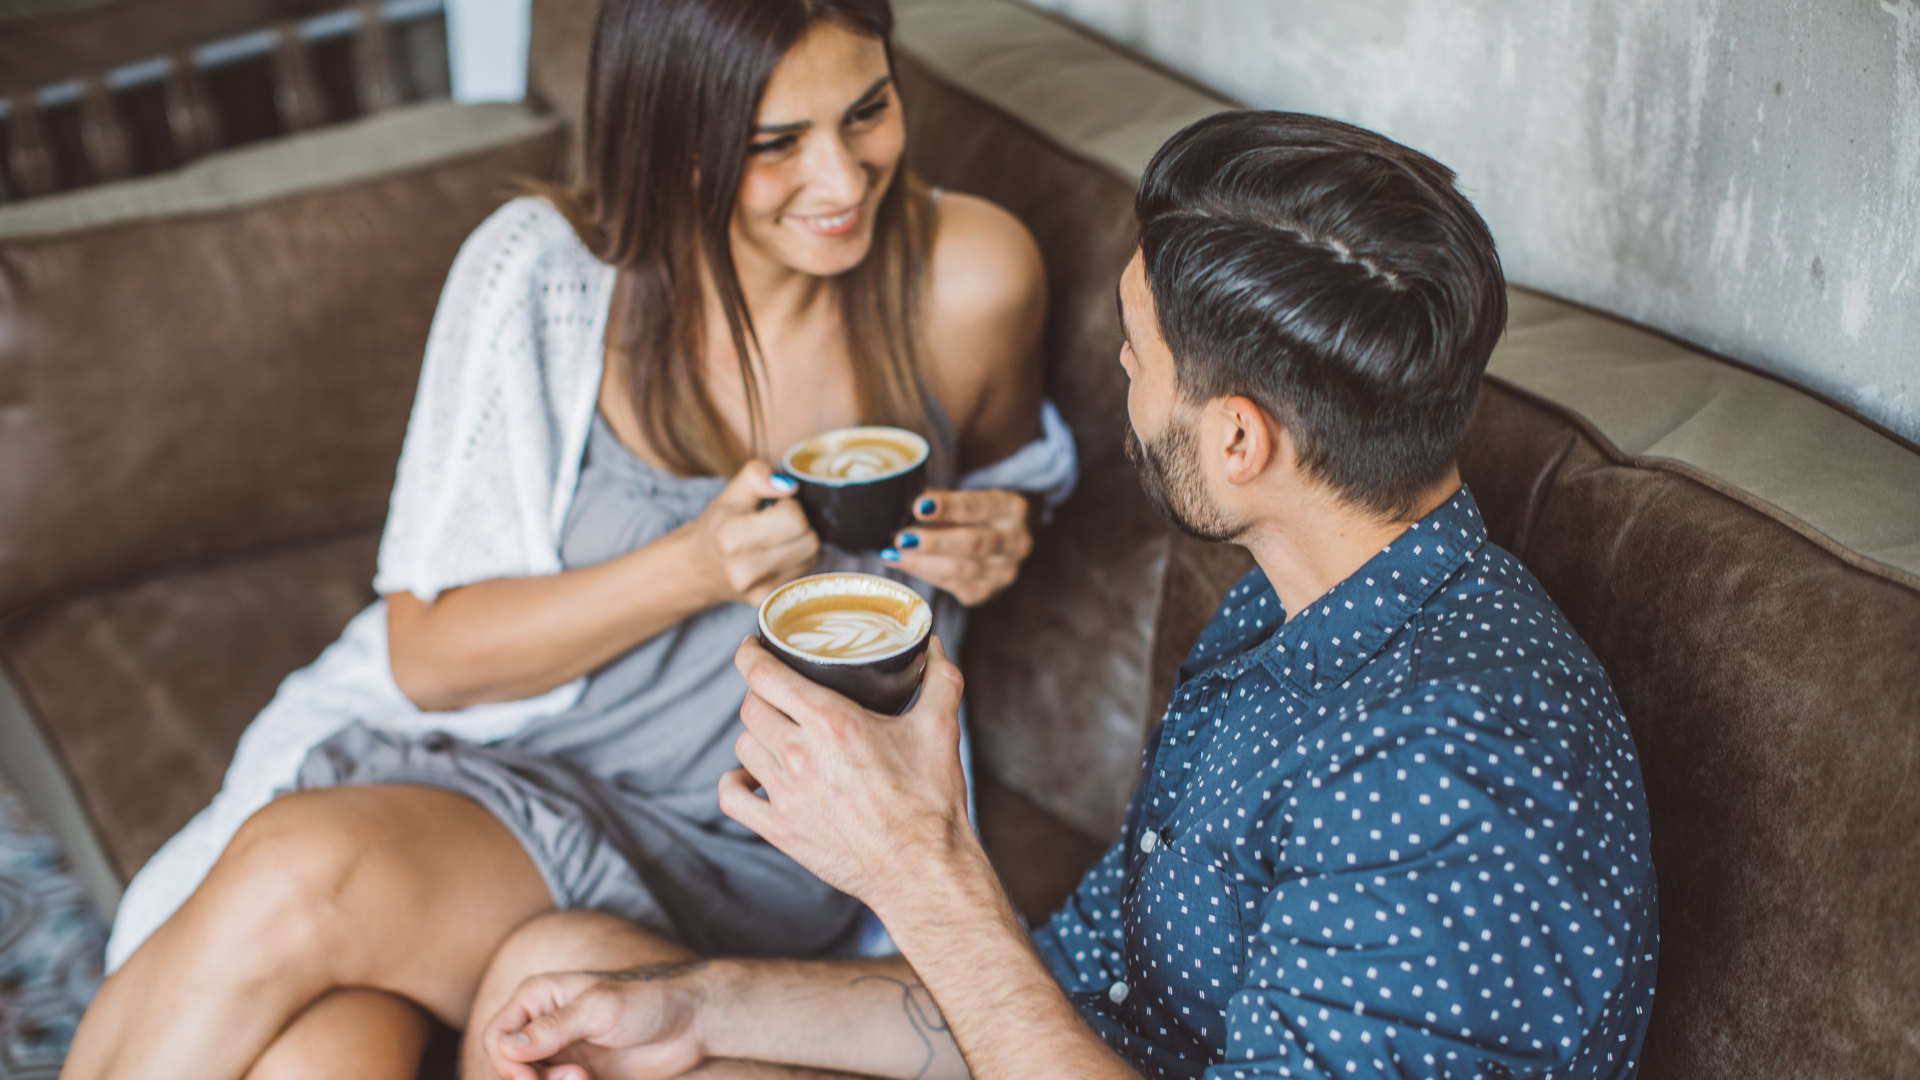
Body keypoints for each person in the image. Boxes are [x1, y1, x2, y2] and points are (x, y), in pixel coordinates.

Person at [472, 111, 1659, 1080]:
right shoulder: (1294, 615)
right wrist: (705, 1011)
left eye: (1137, 356)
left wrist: (916, 870)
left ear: (1239, 442)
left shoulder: (1452, 765)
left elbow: (1002, 983)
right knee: (573, 978)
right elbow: (1062, 1001)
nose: (1122, 376)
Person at [61, 0, 1077, 1076]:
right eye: (774, 143)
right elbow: (430, 657)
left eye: (868, 111)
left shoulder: (972, 275)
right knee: (321, 1047)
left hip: (743, 835)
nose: (842, 178)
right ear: (672, 135)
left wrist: (1002, 538)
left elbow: (1009, 503)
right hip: (510, 772)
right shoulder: (545, 277)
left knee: (301, 875)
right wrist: (689, 569)